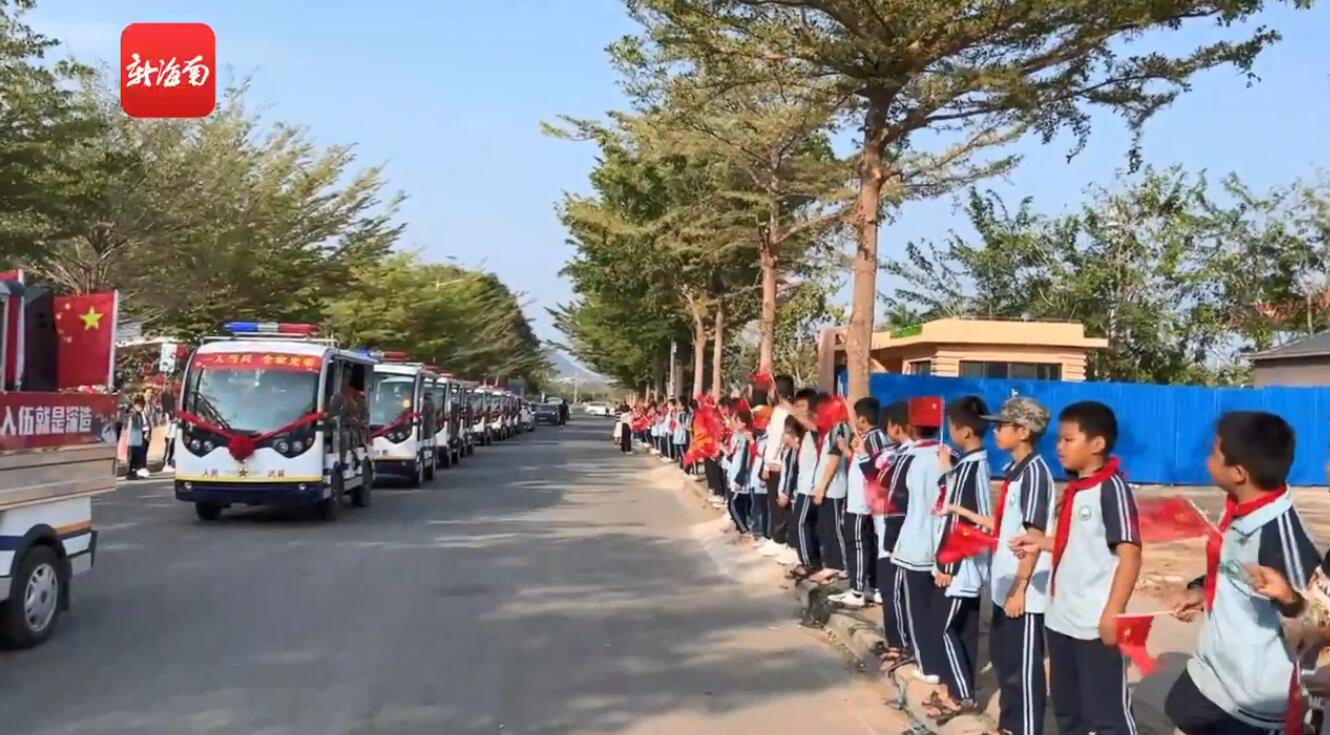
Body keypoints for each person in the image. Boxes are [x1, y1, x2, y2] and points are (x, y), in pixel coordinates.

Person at [1164, 411, 1319, 735]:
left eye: (1213, 452)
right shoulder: (1240, 509)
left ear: (1238, 473)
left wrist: (1290, 599)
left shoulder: (1282, 538)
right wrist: (1199, 590)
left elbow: (1314, 621)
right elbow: (1230, 567)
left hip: (1252, 700)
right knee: (1178, 713)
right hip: (1214, 675)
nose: (1206, 459)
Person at [1013, 401, 1141, 735]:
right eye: (1059, 439)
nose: (1059, 446)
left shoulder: (1111, 489)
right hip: (1061, 617)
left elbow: (1130, 555)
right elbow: (1079, 543)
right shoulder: (1075, 489)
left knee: (1107, 712)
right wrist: (1040, 543)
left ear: (1097, 444)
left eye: (1068, 440)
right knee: (1068, 707)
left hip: (1093, 623)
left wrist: (1113, 612)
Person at [941, 396, 1054, 735]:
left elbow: (1034, 536)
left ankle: (1025, 729)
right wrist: (960, 512)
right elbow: (1001, 524)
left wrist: (1020, 588)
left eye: (1002, 426)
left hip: (1024, 592)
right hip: (1004, 585)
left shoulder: (1035, 474)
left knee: (1023, 669)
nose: (994, 431)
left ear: (1023, 431)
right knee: (1006, 663)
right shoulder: (1013, 471)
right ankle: (1009, 726)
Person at [924, 395, 992, 720]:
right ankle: (955, 688)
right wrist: (948, 470)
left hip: (960, 564)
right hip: (967, 562)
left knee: (942, 627)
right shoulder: (972, 464)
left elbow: (960, 520)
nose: (949, 432)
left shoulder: (972, 467)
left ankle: (962, 694)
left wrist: (947, 564)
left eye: (951, 426)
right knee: (963, 628)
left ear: (965, 431)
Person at [890, 396, 948, 684]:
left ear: (911, 426)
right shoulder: (949, 455)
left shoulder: (907, 457)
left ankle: (927, 665)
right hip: (944, 543)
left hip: (915, 542)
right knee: (939, 609)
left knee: (917, 608)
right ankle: (943, 663)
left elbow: (894, 498)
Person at [829, 396, 887, 610]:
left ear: (862, 419)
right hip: (863, 502)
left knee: (858, 545)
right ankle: (872, 587)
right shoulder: (872, 438)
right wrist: (848, 451)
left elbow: (874, 469)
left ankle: (857, 590)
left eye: (855, 417)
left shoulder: (873, 439)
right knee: (866, 545)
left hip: (862, 504)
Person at [875, 401, 913, 668]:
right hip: (888, 534)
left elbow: (899, 501)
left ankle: (899, 644)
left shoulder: (905, 458)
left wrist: (891, 539)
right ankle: (897, 641)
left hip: (898, 538)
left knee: (895, 593)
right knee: (892, 591)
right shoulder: (894, 455)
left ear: (897, 427)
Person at [809, 394, 852, 585]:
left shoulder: (840, 428)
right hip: (826, 487)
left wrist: (822, 487)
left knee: (834, 528)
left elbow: (834, 459)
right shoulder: (831, 429)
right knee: (825, 527)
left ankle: (840, 565)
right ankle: (831, 564)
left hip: (833, 488)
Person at [760, 375, 797, 564]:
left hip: (780, 464)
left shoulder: (785, 413)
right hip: (774, 462)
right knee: (775, 505)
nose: (769, 392)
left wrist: (769, 463)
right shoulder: (778, 411)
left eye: (772, 388)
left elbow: (777, 441)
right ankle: (777, 539)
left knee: (782, 505)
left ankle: (783, 541)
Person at [790, 388, 822, 579]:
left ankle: (809, 563)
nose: (799, 410)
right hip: (804, 485)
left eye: (802, 405)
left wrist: (793, 412)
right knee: (806, 525)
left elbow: (815, 428)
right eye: (797, 406)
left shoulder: (818, 429)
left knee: (800, 523)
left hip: (810, 487)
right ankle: (810, 560)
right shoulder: (805, 433)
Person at [726, 408, 755, 534]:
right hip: (735, 474)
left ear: (743, 423)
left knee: (733, 505)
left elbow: (746, 460)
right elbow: (732, 455)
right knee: (741, 506)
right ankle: (742, 528)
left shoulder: (746, 438)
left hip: (741, 478)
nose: (733, 423)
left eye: (736, 421)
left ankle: (744, 531)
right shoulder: (737, 436)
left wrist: (740, 477)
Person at [125, 395, 152, 480]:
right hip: (133, 439)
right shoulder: (132, 414)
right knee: (132, 456)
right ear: (136, 405)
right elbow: (130, 427)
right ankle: (130, 472)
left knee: (137, 456)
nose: (142, 408)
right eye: (141, 406)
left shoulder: (138, 414)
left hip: (138, 438)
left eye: (143, 406)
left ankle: (135, 471)